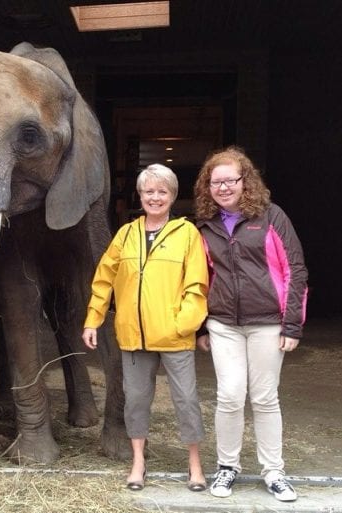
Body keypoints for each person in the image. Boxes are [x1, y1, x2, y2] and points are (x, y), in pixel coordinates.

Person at [82, 163, 209, 492]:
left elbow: (197, 286)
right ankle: (138, 461)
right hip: (133, 337)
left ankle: (194, 464)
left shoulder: (187, 234)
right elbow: (104, 279)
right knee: (136, 400)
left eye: (162, 191)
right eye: (149, 191)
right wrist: (94, 318)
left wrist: (182, 325)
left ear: (172, 196)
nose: (155, 197)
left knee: (186, 400)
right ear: (140, 195)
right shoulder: (126, 235)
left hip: (175, 337)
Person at [193, 146, 308, 502]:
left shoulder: (271, 217)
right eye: (216, 182)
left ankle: (273, 471)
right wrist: (200, 326)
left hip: (267, 323)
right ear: (207, 187)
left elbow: (295, 270)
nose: (223, 187)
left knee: (264, 397)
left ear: (246, 182)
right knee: (228, 396)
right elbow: (198, 278)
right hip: (223, 324)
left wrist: (292, 325)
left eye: (230, 180)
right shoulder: (205, 226)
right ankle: (227, 467)